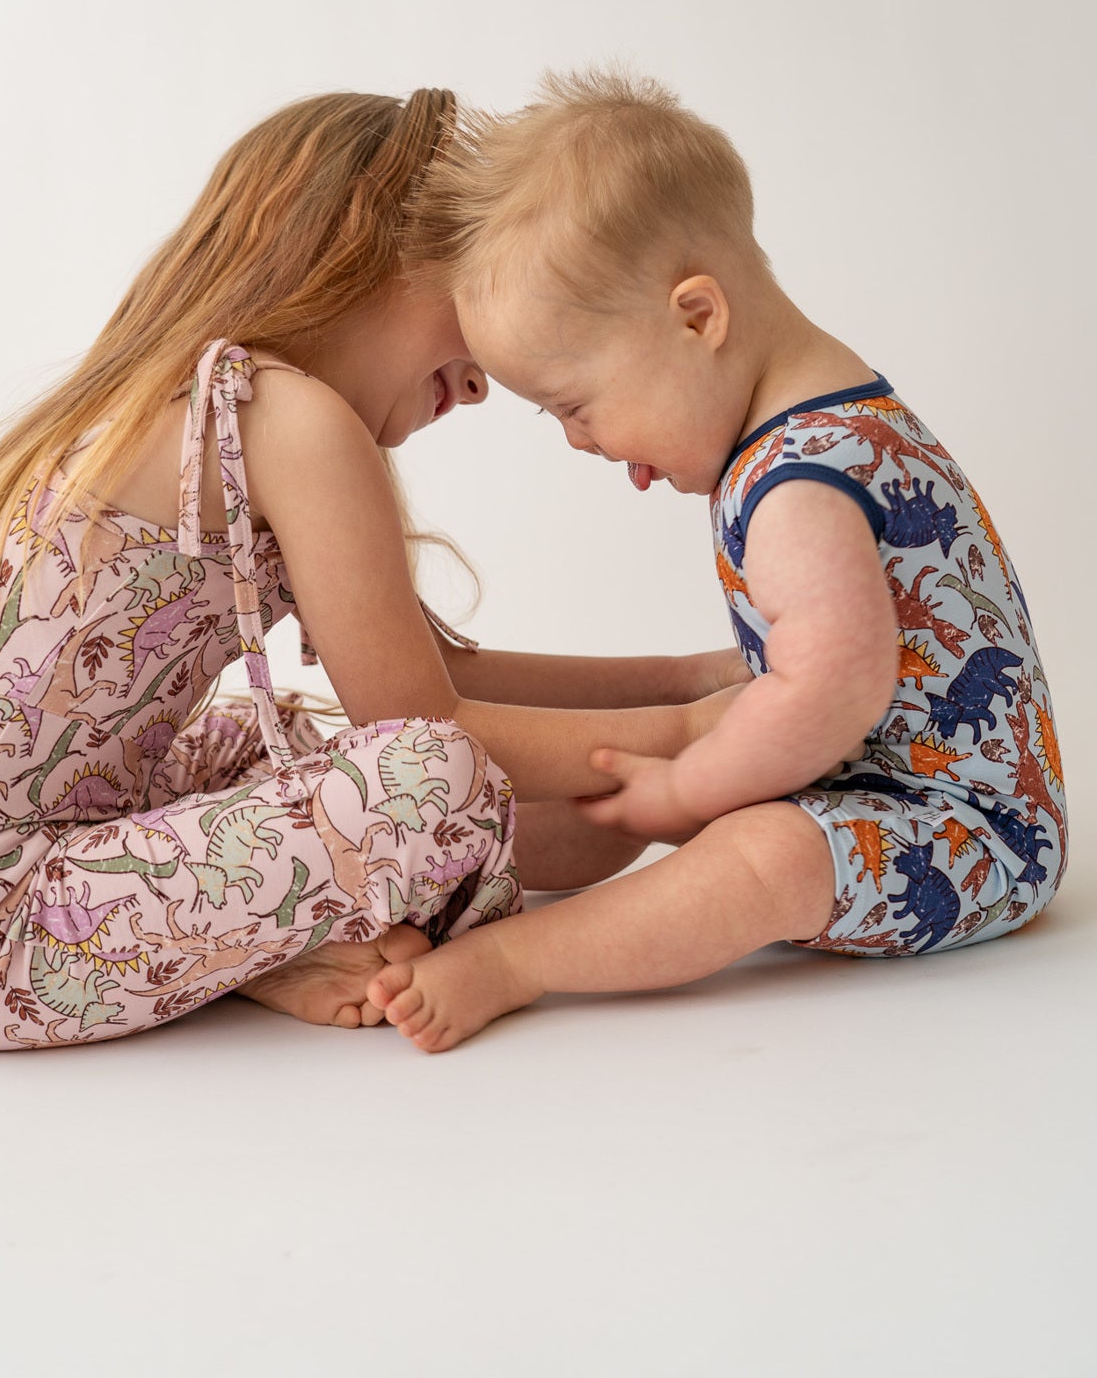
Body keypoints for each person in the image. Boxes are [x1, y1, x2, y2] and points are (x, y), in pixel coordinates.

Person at [0, 87, 751, 1052]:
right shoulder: (287, 416)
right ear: (369, 249)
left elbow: (440, 675)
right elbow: (424, 723)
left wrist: (691, 678)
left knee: (265, 740)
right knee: (435, 775)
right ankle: (261, 951)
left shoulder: (192, 392)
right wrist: (693, 735)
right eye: (470, 290)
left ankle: (249, 951)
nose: (482, 379)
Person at [366, 67, 1067, 1051]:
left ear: (698, 317)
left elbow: (834, 688)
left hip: (966, 835)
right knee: (626, 777)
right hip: (859, 782)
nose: (580, 442)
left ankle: (518, 960)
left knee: (758, 853)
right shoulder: (813, 424)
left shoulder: (799, 483)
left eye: (574, 404)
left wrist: (694, 787)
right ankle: (453, 891)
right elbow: (787, 678)